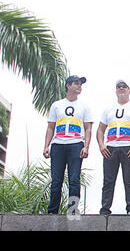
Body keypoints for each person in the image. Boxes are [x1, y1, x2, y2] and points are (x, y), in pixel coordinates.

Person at [97, 79, 130, 215]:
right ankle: (105, 208)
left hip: (129, 148)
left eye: (124, 86)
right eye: (119, 87)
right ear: (115, 90)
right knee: (108, 180)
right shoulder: (108, 109)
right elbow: (101, 129)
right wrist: (102, 146)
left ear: (129, 90)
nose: (121, 89)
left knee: (129, 179)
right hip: (111, 148)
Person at [43, 75, 94, 214]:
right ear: (68, 85)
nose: (79, 87)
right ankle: (52, 211)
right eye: (76, 84)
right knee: (56, 180)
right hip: (58, 145)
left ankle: (72, 211)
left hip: (76, 144)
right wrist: (46, 146)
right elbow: (50, 127)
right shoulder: (57, 105)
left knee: (74, 180)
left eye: (81, 84)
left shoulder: (84, 107)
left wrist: (86, 146)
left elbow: (88, 128)